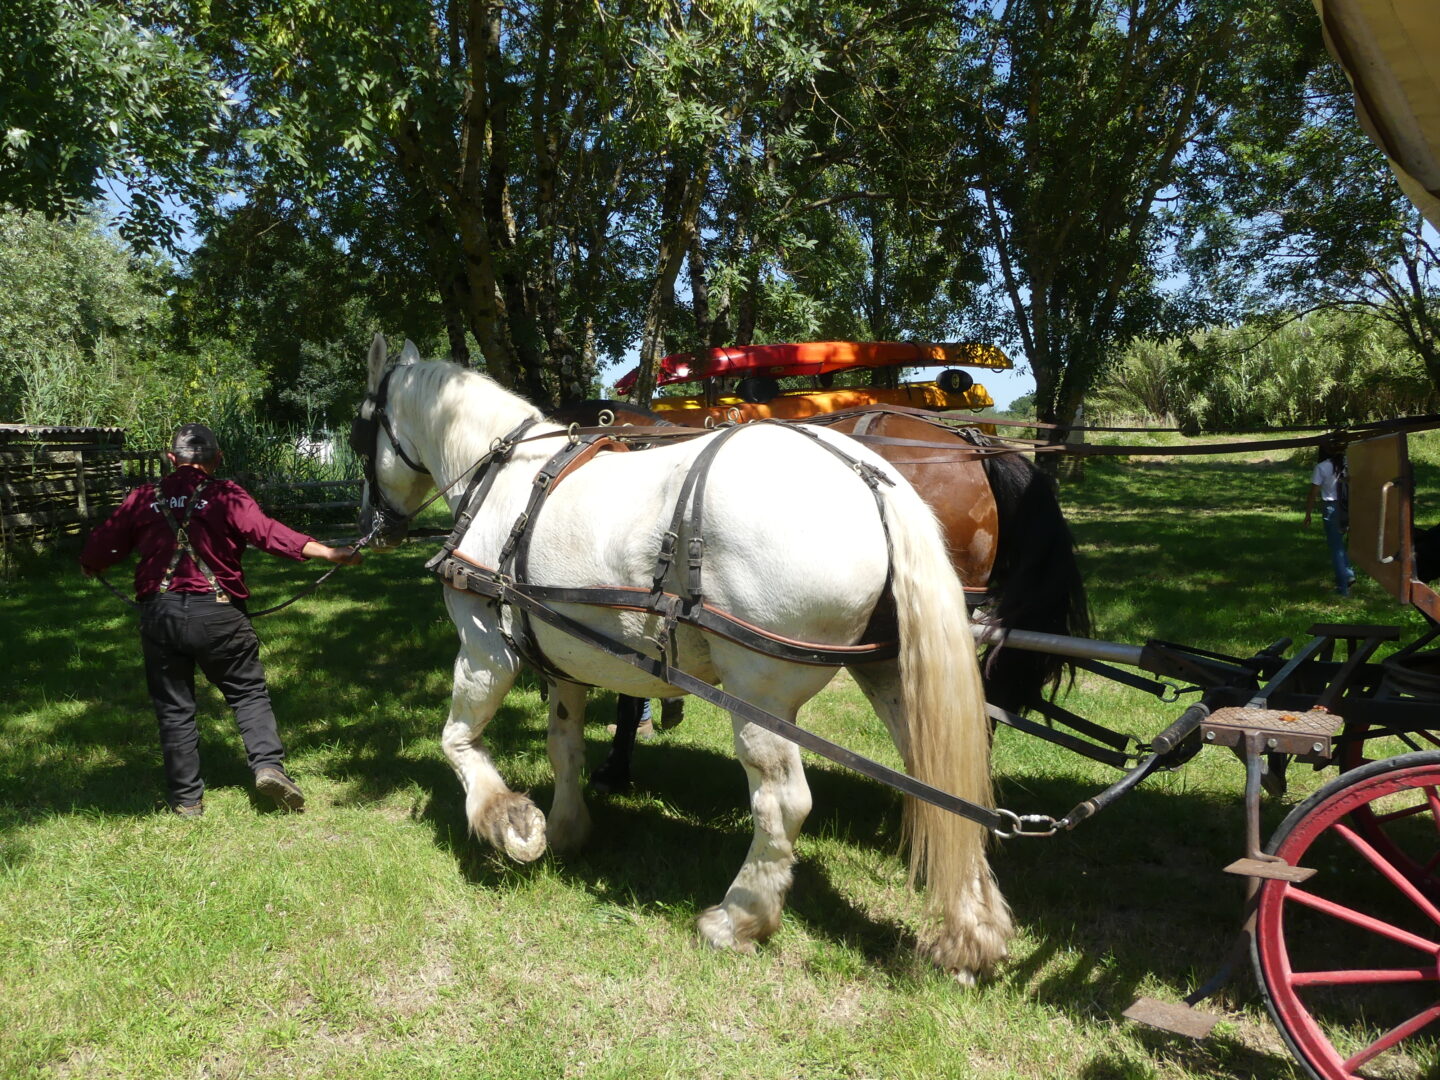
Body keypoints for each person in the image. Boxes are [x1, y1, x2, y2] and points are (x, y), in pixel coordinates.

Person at [80, 423, 363, 817]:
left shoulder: (143, 496)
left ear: (171, 458)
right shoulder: (227, 495)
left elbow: (103, 545)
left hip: (160, 614)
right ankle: (267, 766)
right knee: (247, 693)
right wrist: (330, 554)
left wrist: (92, 564)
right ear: (217, 459)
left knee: (174, 707)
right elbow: (268, 534)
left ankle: (187, 801)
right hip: (219, 613)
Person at [1304, 439, 1356, 597]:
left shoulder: (1322, 467)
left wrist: (1308, 514)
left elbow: (1313, 492)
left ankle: (1344, 586)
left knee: (1336, 547)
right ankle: (1348, 573)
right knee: (1344, 544)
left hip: (1331, 507)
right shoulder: (1349, 464)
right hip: (1349, 505)